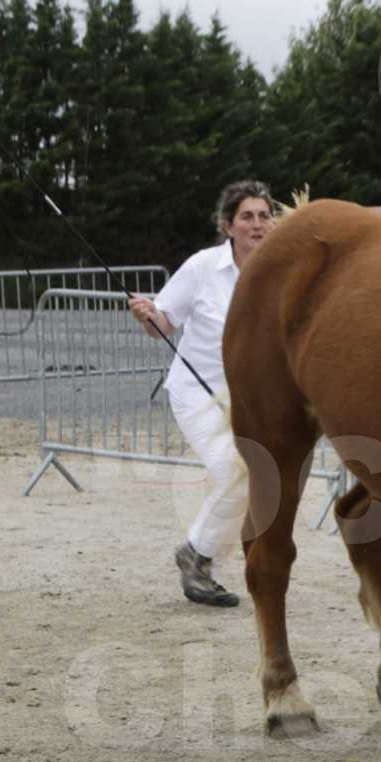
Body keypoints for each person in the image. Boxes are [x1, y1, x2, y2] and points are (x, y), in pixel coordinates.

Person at [128, 181, 275, 608]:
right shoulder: (201, 267)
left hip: (251, 398)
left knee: (252, 475)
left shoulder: (280, 268)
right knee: (237, 470)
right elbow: (162, 327)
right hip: (197, 392)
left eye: (264, 215)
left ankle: (199, 555)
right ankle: (196, 555)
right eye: (247, 216)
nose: (257, 224)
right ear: (228, 225)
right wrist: (148, 315)